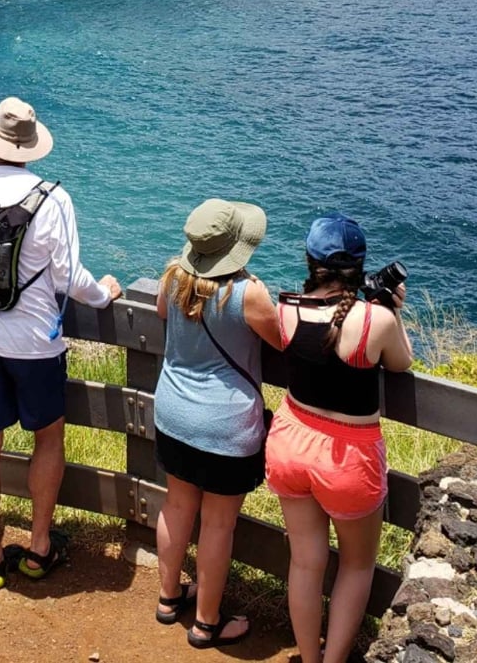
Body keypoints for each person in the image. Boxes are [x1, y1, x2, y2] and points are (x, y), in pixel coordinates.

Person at [0, 96, 122, 589]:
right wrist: (105, 294)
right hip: (36, 343)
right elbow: (70, 277)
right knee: (47, 439)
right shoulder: (53, 198)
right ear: (32, 147)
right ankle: (38, 548)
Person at [265, 214, 412, 663]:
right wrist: (392, 309)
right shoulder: (375, 320)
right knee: (357, 564)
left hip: (290, 441)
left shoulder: (286, 308)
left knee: (306, 563)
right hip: (348, 458)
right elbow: (402, 363)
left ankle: (309, 658)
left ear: (310, 261)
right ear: (360, 266)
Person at [153, 200, 282, 648]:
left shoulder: (173, 278)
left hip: (173, 412)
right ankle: (207, 623)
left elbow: (163, 316)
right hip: (225, 426)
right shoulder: (247, 294)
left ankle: (169, 599)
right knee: (218, 526)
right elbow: (282, 340)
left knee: (177, 507)